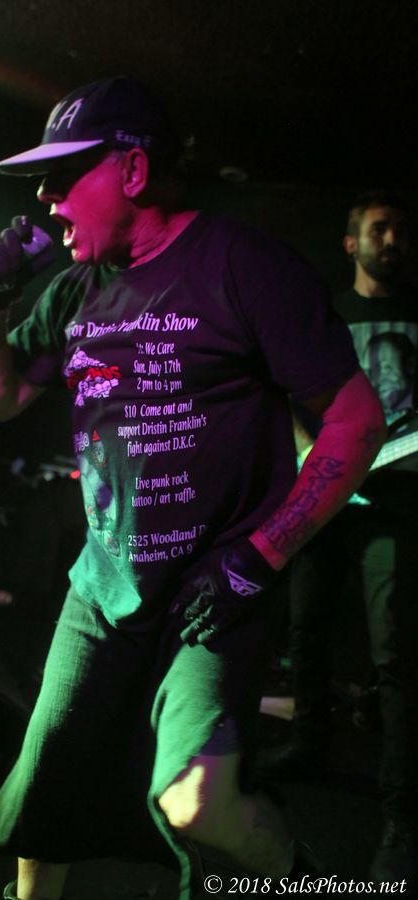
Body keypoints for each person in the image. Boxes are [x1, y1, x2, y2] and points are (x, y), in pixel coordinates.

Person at [0, 78, 385, 900]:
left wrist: (258, 558)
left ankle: (304, 880)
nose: (45, 198)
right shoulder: (77, 289)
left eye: (64, 175)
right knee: (45, 794)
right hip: (103, 591)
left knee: (196, 804)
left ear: (132, 170)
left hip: (214, 593)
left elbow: (355, 419)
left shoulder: (244, 266)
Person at [260, 191, 418, 888]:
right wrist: (307, 454)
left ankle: (401, 813)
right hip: (329, 491)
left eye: (400, 230)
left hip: (399, 498)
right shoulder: (327, 313)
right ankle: (307, 744)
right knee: (306, 625)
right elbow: (283, 390)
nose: (393, 240)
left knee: (396, 647)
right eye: (379, 229)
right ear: (351, 243)